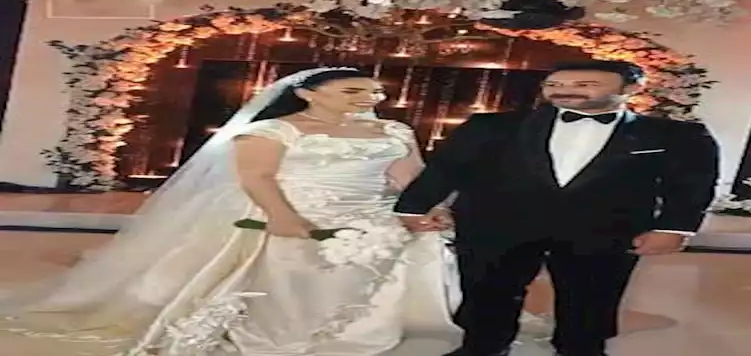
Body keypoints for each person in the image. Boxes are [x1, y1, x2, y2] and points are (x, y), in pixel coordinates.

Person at [0, 67, 465, 355]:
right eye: (353, 91)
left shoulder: (393, 131)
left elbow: (410, 177)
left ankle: (377, 331)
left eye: (374, 93)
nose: (369, 99)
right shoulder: (272, 130)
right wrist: (282, 217)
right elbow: (257, 178)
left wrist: (427, 210)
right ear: (309, 93)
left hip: (373, 212)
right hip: (291, 208)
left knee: (413, 246)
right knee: (291, 264)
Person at [395, 60, 720, 356]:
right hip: (497, 223)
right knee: (487, 291)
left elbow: (691, 185)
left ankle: (580, 349)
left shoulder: (674, 134)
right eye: (554, 84)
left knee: (592, 297)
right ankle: (483, 347)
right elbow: (447, 168)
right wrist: (414, 207)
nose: (565, 90)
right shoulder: (491, 126)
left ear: (632, 88)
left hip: (605, 229)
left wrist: (673, 228)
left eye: (585, 84)